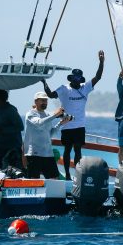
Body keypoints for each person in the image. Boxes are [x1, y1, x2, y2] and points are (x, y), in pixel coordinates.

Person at [43, 50, 105, 180]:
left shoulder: (85, 87)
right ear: (71, 78)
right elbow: (50, 95)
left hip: (79, 125)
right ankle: (67, 175)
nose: (77, 80)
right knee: (67, 151)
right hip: (66, 124)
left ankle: (77, 174)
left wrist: (101, 62)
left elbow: (98, 77)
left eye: (79, 78)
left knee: (78, 151)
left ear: (81, 79)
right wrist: (44, 82)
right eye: (74, 78)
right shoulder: (64, 88)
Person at [23, 91, 70, 180]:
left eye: (46, 101)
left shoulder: (47, 115)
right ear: (36, 101)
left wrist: (60, 123)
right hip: (34, 153)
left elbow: (50, 133)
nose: (45, 103)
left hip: (47, 153)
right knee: (33, 180)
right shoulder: (30, 114)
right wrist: (55, 114)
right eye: (42, 100)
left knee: (54, 179)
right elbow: (39, 122)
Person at [0, 89, 24, 171]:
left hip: (12, 147)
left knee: (14, 171)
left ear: (0, 98)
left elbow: (20, 127)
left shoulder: (11, 110)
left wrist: (2, 130)